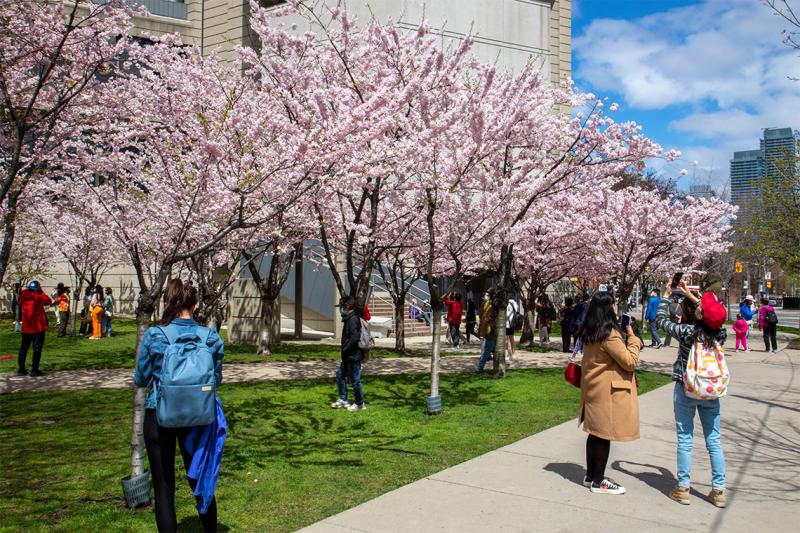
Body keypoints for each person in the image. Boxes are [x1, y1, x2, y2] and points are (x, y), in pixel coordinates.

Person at [134, 279, 224, 532]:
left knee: (164, 486)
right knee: (200, 479)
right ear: (194, 305)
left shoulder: (155, 335)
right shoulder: (210, 337)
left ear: (168, 303)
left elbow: (141, 378)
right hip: (199, 417)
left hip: (160, 414)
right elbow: (216, 379)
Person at [656, 280, 728, 508]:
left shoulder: (687, 332)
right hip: (710, 390)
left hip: (686, 388)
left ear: (698, 314)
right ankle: (718, 490)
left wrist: (667, 295)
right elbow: (713, 317)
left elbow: (660, 321)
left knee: (685, 438)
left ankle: (683, 487)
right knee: (713, 440)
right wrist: (693, 296)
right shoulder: (720, 333)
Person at [576, 292, 642, 495]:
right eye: (614, 305)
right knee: (604, 435)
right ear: (609, 308)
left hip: (593, 388)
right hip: (607, 392)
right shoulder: (609, 334)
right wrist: (634, 339)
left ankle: (590, 475)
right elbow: (630, 361)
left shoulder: (590, 331)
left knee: (595, 433)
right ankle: (598, 481)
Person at [331, 296, 366, 411]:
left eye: (342, 306)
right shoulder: (348, 319)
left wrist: (345, 348)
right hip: (347, 356)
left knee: (355, 380)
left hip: (353, 356)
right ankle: (343, 399)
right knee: (340, 375)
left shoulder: (353, 319)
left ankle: (360, 404)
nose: (341, 309)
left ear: (347, 306)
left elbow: (354, 337)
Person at [17, 280, 53, 376]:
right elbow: (48, 301)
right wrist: (41, 292)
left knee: (23, 349)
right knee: (37, 349)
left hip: (26, 327)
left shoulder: (23, 294)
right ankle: (34, 370)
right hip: (37, 327)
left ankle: (21, 369)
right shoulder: (38, 296)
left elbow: (19, 302)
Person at [475, 288, 496, 372]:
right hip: (490, 330)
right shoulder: (491, 305)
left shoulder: (484, 304)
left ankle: (501, 364)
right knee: (487, 350)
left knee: (492, 349)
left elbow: (481, 317)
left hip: (487, 329)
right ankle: (480, 367)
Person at [506, 297, 520, 362]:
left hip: (507, 323)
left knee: (507, 340)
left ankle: (510, 355)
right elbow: (517, 309)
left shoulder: (506, 303)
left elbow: (506, 314)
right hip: (512, 323)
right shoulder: (513, 302)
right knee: (512, 338)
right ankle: (514, 354)